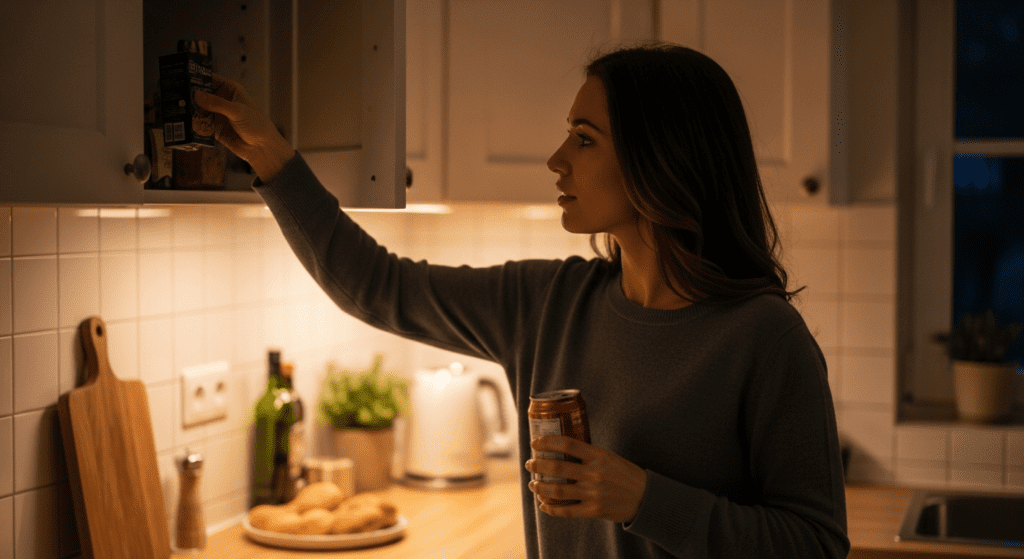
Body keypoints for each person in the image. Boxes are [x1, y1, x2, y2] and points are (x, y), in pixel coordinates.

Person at [196, 42, 850, 558]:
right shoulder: (548, 302)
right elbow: (377, 284)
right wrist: (273, 159)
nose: (556, 159)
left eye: (585, 139)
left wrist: (644, 498)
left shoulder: (764, 338)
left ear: (663, 160)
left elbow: (815, 544)